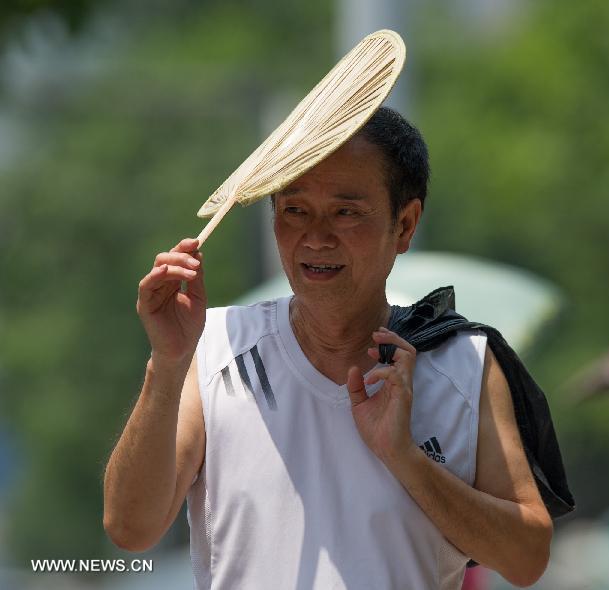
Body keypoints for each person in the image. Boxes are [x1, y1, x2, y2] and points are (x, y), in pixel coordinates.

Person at [103, 107, 553, 589]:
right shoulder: (214, 347)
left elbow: (527, 558)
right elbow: (130, 529)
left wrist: (404, 458)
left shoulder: (463, 364)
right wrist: (167, 364)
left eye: (346, 212)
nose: (316, 238)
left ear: (404, 224)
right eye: (295, 210)